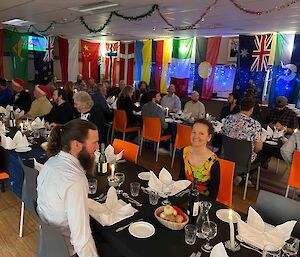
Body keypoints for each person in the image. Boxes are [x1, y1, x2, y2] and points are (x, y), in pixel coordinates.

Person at [37, 119, 99, 257]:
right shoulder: (75, 180)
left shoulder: (51, 162)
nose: (97, 148)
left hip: (48, 241)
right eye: (94, 143)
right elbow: (81, 240)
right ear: (76, 145)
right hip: (65, 249)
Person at [179, 119, 220, 199]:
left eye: (201, 133)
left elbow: (213, 193)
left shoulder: (213, 162)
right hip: (185, 196)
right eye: (194, 132)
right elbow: (181, 178)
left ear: (209, 137)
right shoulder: (184, 152)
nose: (196, 136)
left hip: (203, 199)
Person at [223, 97, 263, 163]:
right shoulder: (255, 124)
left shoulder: (228, 118)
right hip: (245, 159)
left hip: (227, 155)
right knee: (263, 155)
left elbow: (223, 133)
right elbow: (258, 148)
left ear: (240, 107)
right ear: (251, 109)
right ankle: (248, 172)